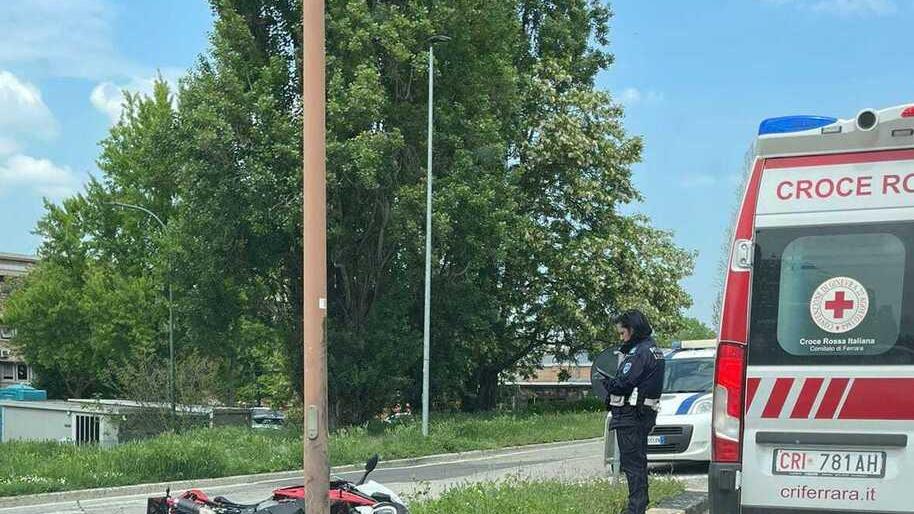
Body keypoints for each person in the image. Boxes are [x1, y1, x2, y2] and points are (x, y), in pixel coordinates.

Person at [603, 309, 665, 514]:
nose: (621, 337)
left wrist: (608, 384)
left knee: (632, 465)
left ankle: (635, 508)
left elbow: (624, 383)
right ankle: (641, 503)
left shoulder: (638, 353)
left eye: (622, 333)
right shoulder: (654, 349)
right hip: (644, 413)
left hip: (630, 416)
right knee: (639, 461)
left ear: (632, 329)